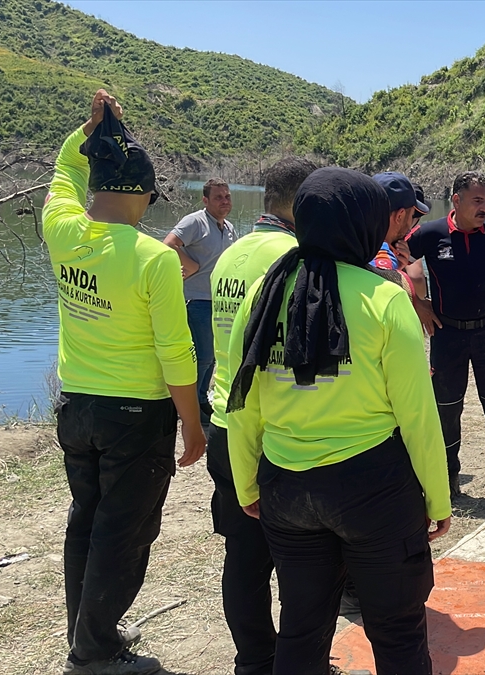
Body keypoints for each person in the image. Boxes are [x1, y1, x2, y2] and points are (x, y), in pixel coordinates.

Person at [225, 167, 451, 675]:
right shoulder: (385, 299)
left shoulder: (264, 291)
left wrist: (247, 485)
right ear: (364, 225)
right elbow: (418, 417)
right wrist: (437, 497)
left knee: (302, 630)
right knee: (396, 632)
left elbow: (245, 406)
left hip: (285, 488)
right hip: (373, 491)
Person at [48, 90, 205, 675]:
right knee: (126, 530)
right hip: (136, 416)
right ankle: (94, 648)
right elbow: (176, 353)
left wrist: (86, 133)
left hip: (77, 408)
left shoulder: (64, 231)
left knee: (86, 518)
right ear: (141, 193)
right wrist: (192, 426)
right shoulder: (153, 259)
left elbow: (63, 173)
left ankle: (89, 630)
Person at [206, 156, 317, 675]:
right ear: (302, 201)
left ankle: (254, 660)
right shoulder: (297, 256)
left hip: (226, 426)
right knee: (303, 565)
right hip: (277, 435)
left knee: (244, 560)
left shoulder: (231, 254)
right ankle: (300, 663)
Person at [404, 171, 485, 498]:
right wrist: (418, 302)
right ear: (457, 201)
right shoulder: (430, 233)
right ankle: (447, 473)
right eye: (478, 201)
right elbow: (395, 260)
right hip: (446, 334)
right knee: (447, 408)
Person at [163, 178, 237, 422]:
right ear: (205, 200)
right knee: (203, 356)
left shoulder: (229, 228)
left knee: (213, 357)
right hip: (196, 301)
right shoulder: (195, 221)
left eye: (226, 196)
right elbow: (169, 244)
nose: (224, 201)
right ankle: (191, 408)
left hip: (220, 302)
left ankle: (201, 400)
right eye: (218, 197)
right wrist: (190, 264)